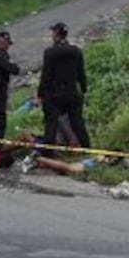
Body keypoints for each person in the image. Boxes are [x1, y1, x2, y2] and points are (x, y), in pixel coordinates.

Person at [36, 21, 90, 157]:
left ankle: (48, 153)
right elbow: (81, 74)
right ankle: (87, 149)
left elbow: (46, 75)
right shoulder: (76, 51)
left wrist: (41, 93)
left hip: (54, 94)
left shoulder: (50, 52)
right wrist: (83, 90)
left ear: (56, 34)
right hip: (72, 92)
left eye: (53, 32)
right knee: (77, 122)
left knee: (51, 123)